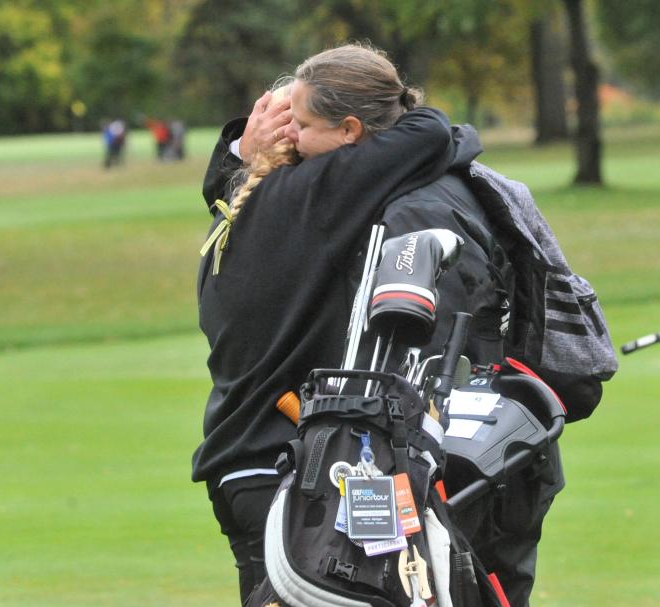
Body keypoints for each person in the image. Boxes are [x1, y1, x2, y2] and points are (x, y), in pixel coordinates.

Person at [192, 43, 458, 603]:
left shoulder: (247, 197)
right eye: (292, 124)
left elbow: (226, 182)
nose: (291, 136)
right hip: (291, 470)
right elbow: (435, 132)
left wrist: (243, 149)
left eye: (302, 123)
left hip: (242, 461)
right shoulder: (319, 194)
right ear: (349, 135)